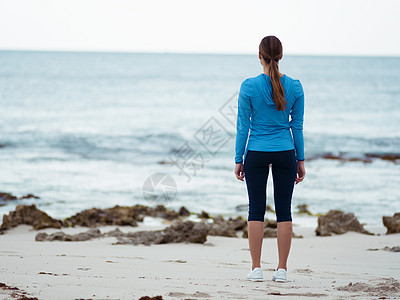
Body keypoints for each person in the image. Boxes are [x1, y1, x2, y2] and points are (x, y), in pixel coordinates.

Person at [234, 35, 306, 283]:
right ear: (281, 56)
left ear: (259, 56)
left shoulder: (248, 86)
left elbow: (243, 126)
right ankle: (282, 270)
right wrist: (301, 160)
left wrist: (238, 158)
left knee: (255, 209)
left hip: (255, 152)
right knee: (284, 211)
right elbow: (297, 126)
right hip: (286, 152)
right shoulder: (296, 87)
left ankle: (256, 269)